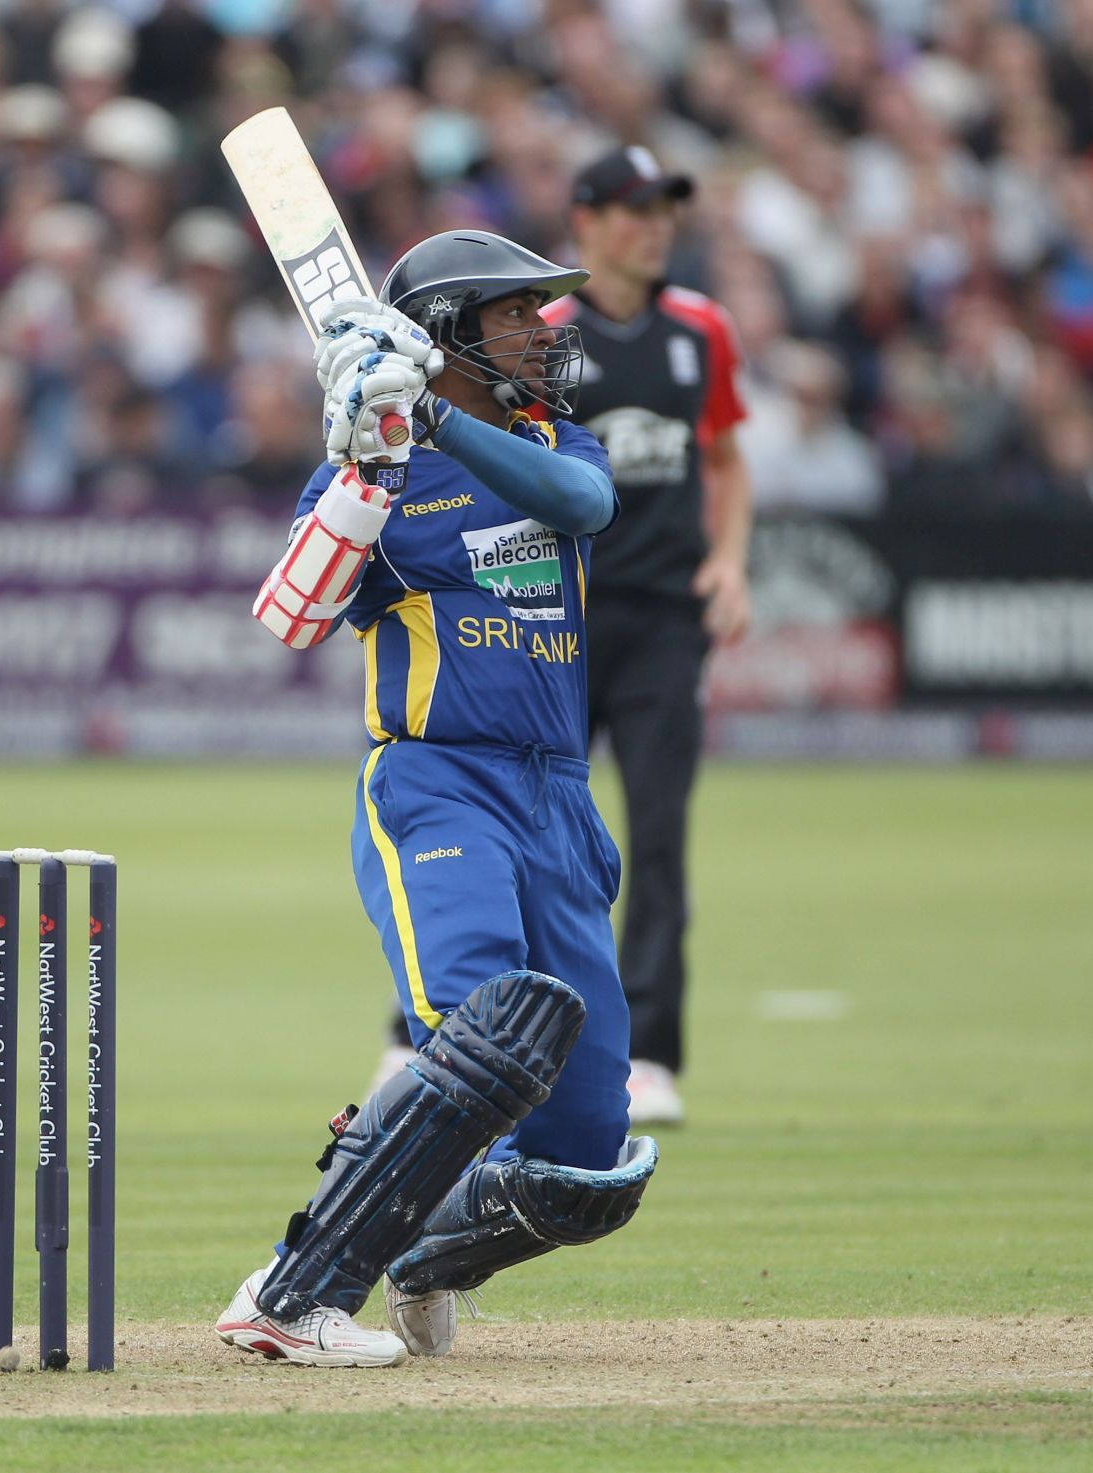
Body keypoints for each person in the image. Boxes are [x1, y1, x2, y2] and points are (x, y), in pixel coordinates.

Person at [216, 232, 659, 1368]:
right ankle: (292, 1288)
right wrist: (369, 468)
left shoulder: (550, 442)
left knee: (588, 1159)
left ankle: (419, 1262)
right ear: (453, 328)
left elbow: (587, 503)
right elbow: (291, 617)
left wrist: (438, 419)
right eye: (515, 314)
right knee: (482, 1034)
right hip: (437, 776)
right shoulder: (378, 464)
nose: (542, 334)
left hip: (558, 796)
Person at [542, 147, 753, 1126]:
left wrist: (731, 561)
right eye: (633, 208)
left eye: (664, 205)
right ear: (585, 221)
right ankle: (447, 1034)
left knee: (659, 837)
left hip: (667, 620)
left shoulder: (699, 327)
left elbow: (724, 457)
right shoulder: (542, 330)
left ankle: (652, 1056)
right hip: (561, 621)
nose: (653, 223)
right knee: (528, 831)